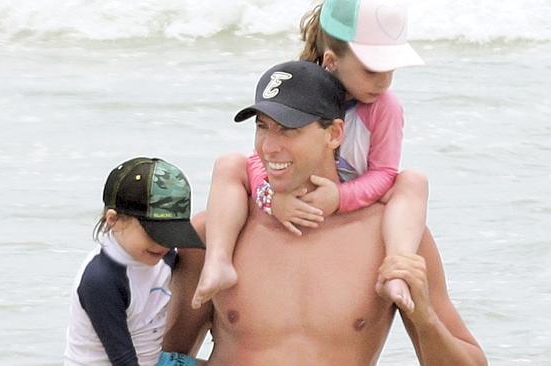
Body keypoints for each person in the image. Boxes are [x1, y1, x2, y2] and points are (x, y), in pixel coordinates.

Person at [166, 60, 486, 365]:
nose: (268, 147)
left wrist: (425, 318)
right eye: (263, 127)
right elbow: (168, 355)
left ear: (334, 134)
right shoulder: (216, 232)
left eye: (288, 130)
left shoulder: (393, 236)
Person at [192, 0, 429, 313]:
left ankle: (396, 269)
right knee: (229, 165)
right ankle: (218, 261)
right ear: (331, 60)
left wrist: (341, 198)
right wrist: (271, 199)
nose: (383, 82)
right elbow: (261, 158)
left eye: (390, 70)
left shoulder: (385, 107)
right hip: (293, 189)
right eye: (373, 70)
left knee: (413, 182)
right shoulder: (298, 88)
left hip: (350, 195)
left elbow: (384, 173)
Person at [63, 157, 206, 366]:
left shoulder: (159, 253)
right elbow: (123, 359)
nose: (163, 244)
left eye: (170, 234)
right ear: (113, 220)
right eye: (153, 233)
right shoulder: (101, 280)